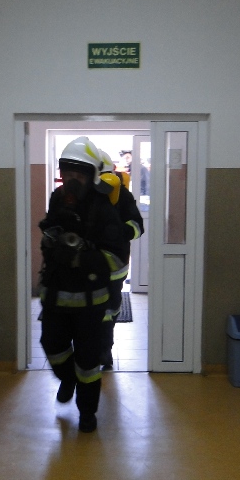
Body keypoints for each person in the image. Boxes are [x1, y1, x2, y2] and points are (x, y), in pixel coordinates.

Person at [38, 137, 129, 433]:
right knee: (52, 346)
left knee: (88, 362)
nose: (73, 179)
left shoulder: (103, 208)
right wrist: (51, 244)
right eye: (68, 172)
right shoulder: (57, 199)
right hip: (55, 296)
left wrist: (82, 258)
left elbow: (116, 258)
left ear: (92, 176)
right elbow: (49, 234)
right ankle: (67, 378)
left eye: (80, 173)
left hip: (91, 302)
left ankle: (87, 413)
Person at [97, 150, 144, 370]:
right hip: (88, 265)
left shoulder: (122, 195)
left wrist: (118, 231)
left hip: (115, 266)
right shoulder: (83, 195)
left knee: (110, 309)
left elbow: (137, 226)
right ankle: (94, 349)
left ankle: (105, 350)